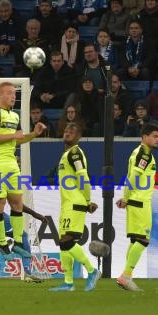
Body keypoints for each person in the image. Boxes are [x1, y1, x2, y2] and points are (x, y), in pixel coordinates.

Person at [0, 82, 47, 263]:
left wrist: (33, 134)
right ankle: (3, 245)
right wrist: (13, 136)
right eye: (9, 93)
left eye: (14, 93)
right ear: (0, 95)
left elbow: (16, 141)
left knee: (17, 203)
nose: (13, 96)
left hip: (11, 163)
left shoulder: (15, 116)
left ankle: (17, 242)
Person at [49, 123, 101, 292]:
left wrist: (87, 201)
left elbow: (83, 177)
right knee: (63, 242)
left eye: (72, 131)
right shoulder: (66, 154)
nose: (67, 133)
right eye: (65, 130)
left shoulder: (75, 153)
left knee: (67, 240)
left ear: (78, 136)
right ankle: (68, 282)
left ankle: (92, 271)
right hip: (67, 203)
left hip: (75, 202)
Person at [116, 123, 158, 291]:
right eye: (155, 136)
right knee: (143, 240)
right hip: (140, 202)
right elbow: (134, 176)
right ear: (144, 136)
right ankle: (126, 276)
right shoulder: (144, 154)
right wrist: (126, 198)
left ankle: (127, 276)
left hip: (136, 201)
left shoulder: (138, 152)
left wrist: (126, 197)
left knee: (136, 240)